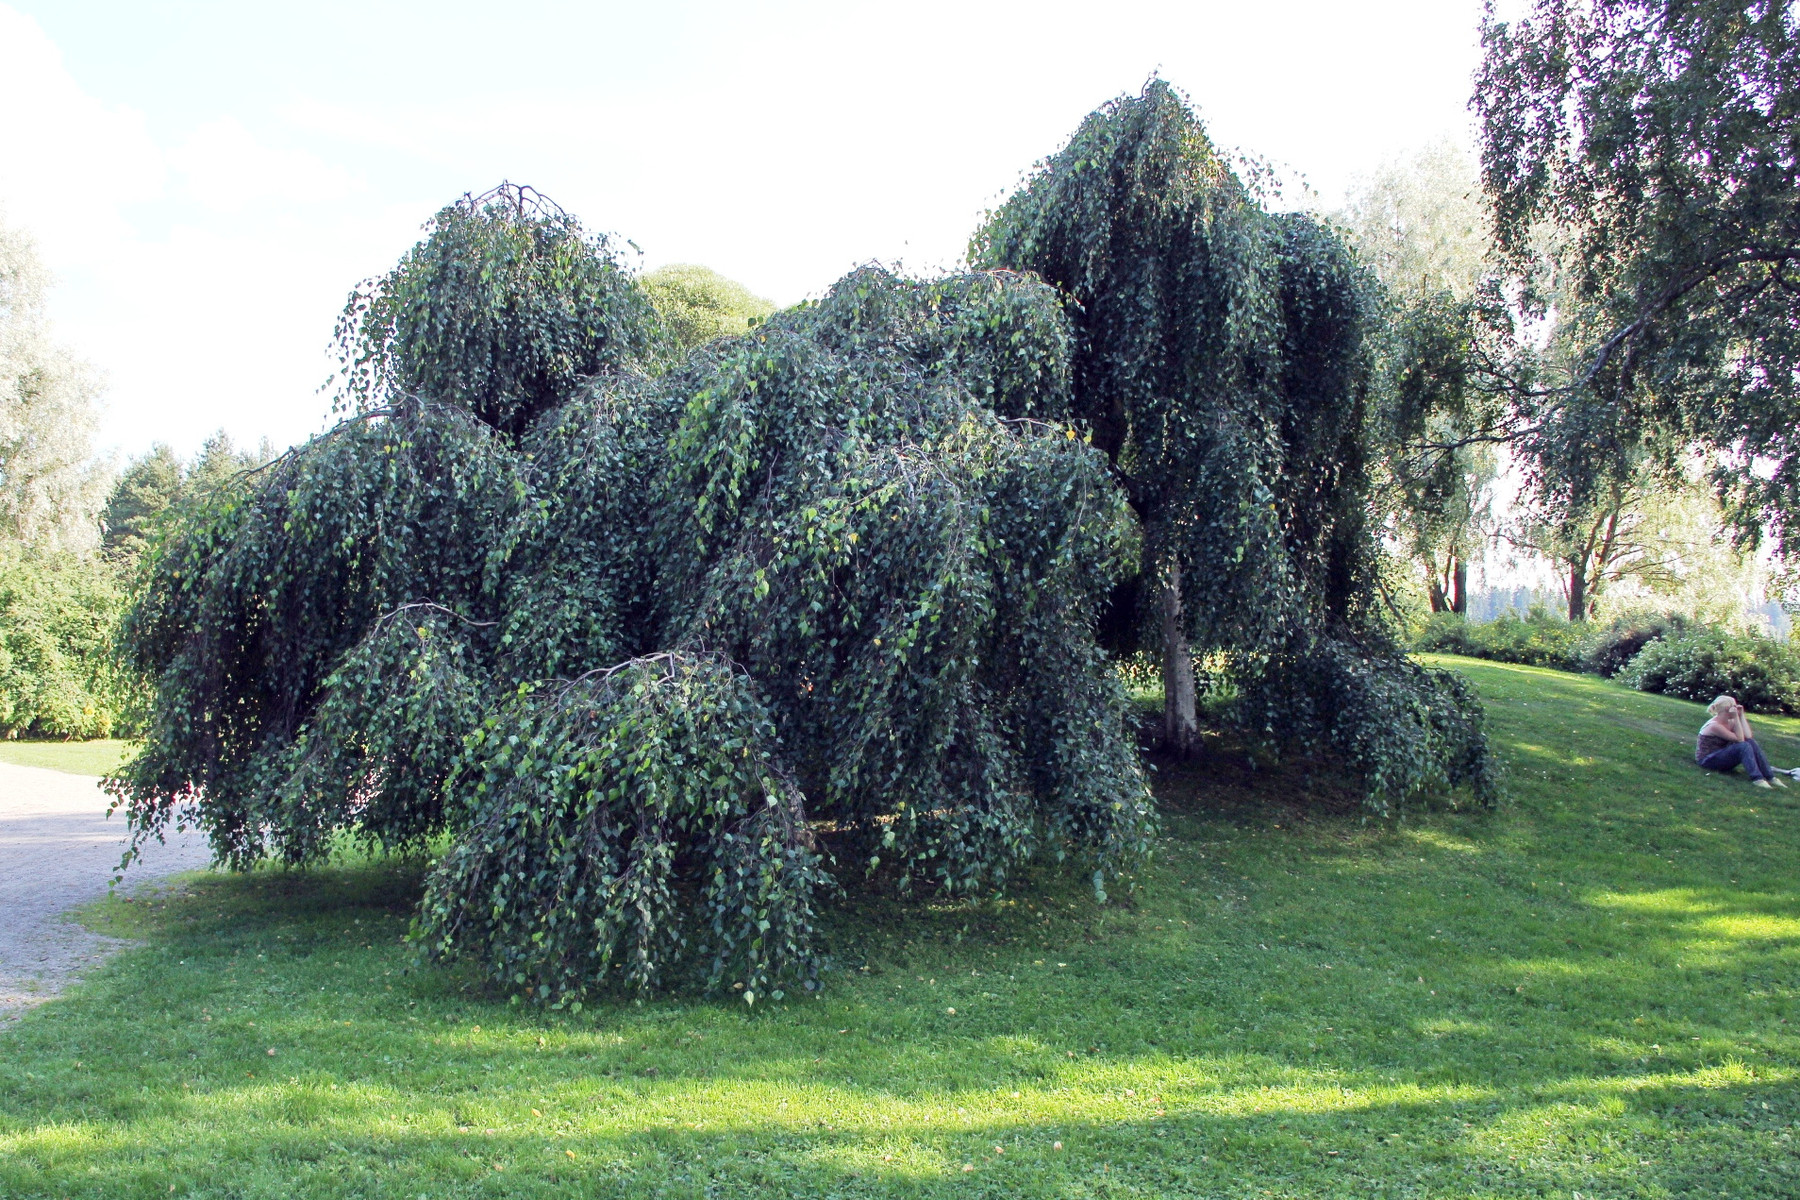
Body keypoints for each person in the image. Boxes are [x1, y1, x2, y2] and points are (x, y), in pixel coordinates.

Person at [1696, 695, 1787, 789]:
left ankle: (1770, 777)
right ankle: (1757, 779)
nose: (1736, 708)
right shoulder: (1714, 726)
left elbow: (1748, 736)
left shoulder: (1729, 721)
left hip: (1721, 756)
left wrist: (1741, 716)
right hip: (1707, 760)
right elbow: (1740, 740)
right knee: (1743, 746)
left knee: (1750, 742)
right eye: (1734, 706)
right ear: (1728, 709)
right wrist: (1736, 717)